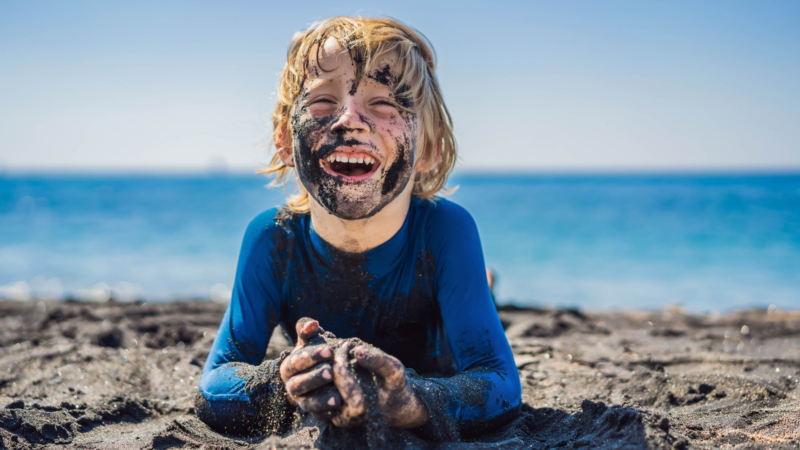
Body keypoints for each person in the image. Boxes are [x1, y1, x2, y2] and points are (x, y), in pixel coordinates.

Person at [195, 16, 521, 442]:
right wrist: (282, 384)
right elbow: (214, 383)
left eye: (384, 104)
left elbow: (500, 384)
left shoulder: (445, 232)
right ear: (284, 140)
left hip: (434, 344)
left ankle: (483, 283)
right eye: (322, 103)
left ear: (429, 148)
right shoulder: (274, 240)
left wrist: (409, 401)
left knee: (476, 295)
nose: (349, 120)